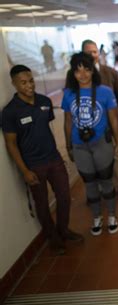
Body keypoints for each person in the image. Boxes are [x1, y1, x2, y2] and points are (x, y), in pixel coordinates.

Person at [2, 65, 83, 255]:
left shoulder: (44, 102)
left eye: (30, 80)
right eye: (23, 82)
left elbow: (44, 128)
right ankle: (52, 238)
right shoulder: (10, 112)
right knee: (42, 203)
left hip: (54, 159)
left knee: (64, 197)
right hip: (33, 165)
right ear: (13, 83)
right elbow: (11, 144)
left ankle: (63, 230)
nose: (29, 85)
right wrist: (25, 171)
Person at [62, 52, 118, 236]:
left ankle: (112, 215)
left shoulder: (104, 91)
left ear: (92, 71)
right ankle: (97, 216)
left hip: (101, 143)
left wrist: (117, 141)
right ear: (73, 73)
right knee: (89, 183)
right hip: (79, 145)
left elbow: (113, 119)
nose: (83, 74)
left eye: (86, 69)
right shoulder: (69, 94)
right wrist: (68, 145)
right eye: (78, 70)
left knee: (106, 179)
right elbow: (68, 121)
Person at [80, 39, 118, 200]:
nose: (92, 55)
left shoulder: (109, 72)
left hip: (109, 123)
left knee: (115, 156)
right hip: (88, 125)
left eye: (94, 51)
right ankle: (101, 190)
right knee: (94, 160)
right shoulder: (76, 76)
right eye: (88, 52)